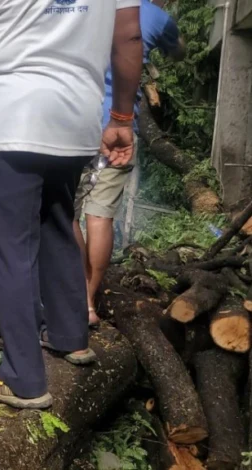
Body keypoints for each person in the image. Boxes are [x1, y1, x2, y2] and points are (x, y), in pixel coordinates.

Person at [0, 0, 143, 408]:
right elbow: (129, 34)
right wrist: (122, 118)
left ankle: (21, 377)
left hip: (13, 118)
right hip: (77, 116)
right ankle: (70, 337)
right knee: (57, 222)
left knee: (9, 247)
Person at [74, 0, 185, 327]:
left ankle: (71, 292)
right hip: (120, 127)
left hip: (74, 124)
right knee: (100, 216)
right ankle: (88, 304)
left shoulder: (78, 6)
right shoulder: (152, 14)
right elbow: (179, 49)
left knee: (64, 213)